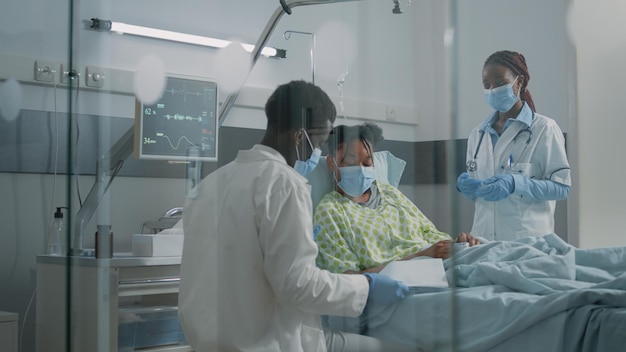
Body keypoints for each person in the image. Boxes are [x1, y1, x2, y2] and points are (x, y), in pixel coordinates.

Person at [178, 80, 415, 352]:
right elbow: (299, 286)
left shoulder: (208, 185)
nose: (317, 153)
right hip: (270, 343)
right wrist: (367, 287)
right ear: (300, 137)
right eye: (320, 142)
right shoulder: (285, 184)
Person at [314, 122, 479, 274]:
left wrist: (458, 244)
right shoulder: (330, 211)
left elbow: (431, 233)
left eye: (367, 163)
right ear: (331, 163)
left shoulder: (390, 194)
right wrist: (420, 256)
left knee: (493, 252)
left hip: (443, 265)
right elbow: (347, 277)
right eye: (350, 162)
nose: (361, 170)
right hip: (412, 279)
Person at [456, 50, 571, 241]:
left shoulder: (544, 129)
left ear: (519, 82)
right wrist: (466, 185)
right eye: (487, 85)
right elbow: (481, 187)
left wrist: (516, 183)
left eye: (500, 83)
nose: (492, 90)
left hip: (527, 241)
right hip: (482, 239)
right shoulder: (478, 134)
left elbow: (562, 188)